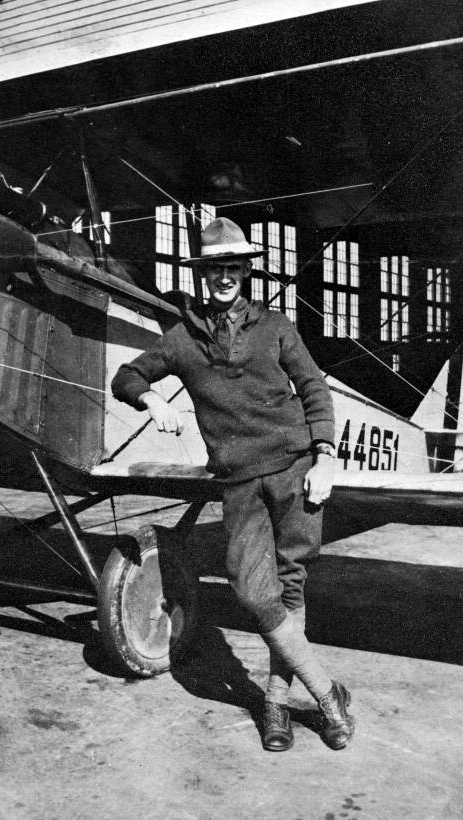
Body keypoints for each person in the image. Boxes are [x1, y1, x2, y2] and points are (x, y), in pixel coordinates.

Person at [111, 217, 355, 752]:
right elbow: (126, 375)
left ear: (246, 272)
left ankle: (274, 703)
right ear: (202, 274)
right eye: (214, 268)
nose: (224, 277)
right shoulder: (181, 339)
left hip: (295, 470)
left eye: (233, 268)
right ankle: (325, 692)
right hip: (239, 482)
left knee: (290, 584)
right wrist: (151, 400)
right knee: (250, 590)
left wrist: (326, 456)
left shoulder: (276, 327)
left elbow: (314, 388)